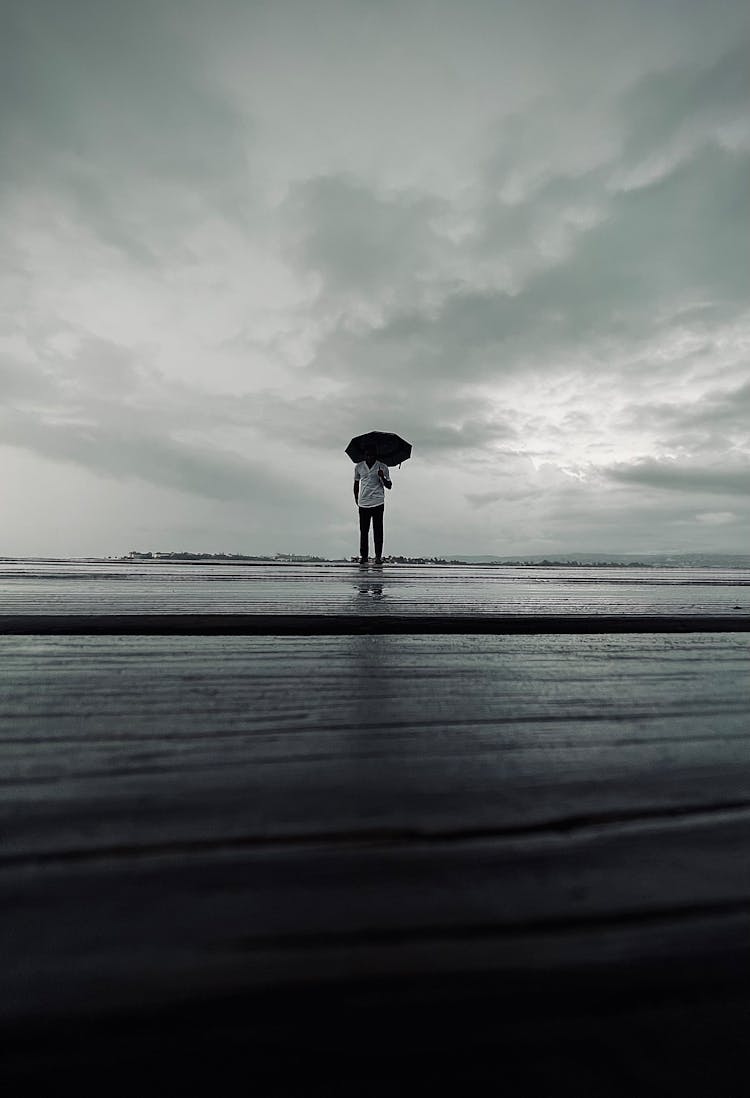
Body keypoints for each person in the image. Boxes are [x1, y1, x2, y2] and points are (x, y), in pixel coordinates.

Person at [353, 443, 392, 564]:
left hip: (378, 502)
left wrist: (382, 477)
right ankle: (364, 556)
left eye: (371, 455)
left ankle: (378, 557)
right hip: (364, 502)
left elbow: (389, 486)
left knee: (378, 530)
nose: (369, 457)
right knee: (364, 531)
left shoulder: (382, 467)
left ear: (375, 455)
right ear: (364, 455)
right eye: (367, 455)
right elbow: (356, 484)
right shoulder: (359, 467)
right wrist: (356, 498)